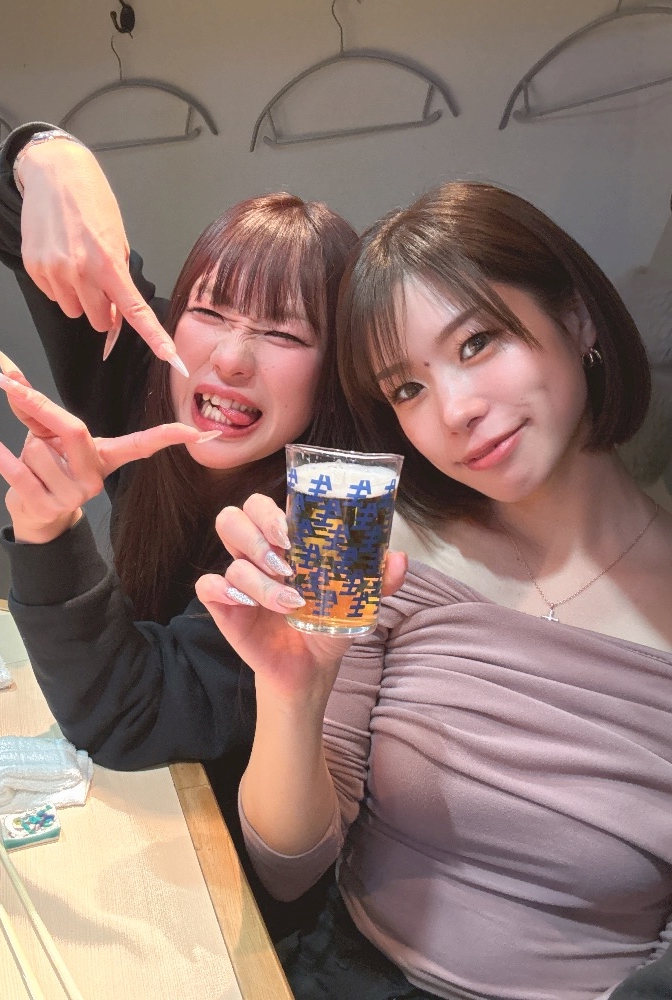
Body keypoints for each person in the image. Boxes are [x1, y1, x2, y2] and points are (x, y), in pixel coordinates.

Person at [195, 181, 672, 999]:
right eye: (407, 389)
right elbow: (289, 870)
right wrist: (292, 696)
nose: (454, 410)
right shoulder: (389, 553)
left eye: (478, 342)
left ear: (577, 320)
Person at [0, 122, 359, 937]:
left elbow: (136, 715)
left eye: (284, 334)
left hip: (228, 883)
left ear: (336, 372)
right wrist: (47, 155)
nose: (231, 358)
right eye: (208, 311)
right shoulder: (147, 373)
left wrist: (49, 536)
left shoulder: (325, 524)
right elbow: (31, 220)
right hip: (123, 814)